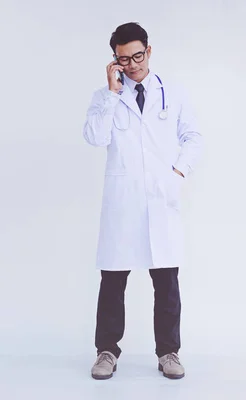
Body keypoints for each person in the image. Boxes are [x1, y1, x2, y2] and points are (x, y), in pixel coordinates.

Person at [83, 22, 203, 380]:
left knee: (166, 282)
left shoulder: (174, 93)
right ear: (114, 60)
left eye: (137, 55)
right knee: (113, 282)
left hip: (160, 201)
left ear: (148, 51)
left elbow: (193, 138)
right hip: (122, 204)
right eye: (124, 59)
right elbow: (94, 136)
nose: (132, 63)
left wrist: (176, 173)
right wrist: (110, 94)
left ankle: (168, 352)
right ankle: (107, 351)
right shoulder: (106, 97)